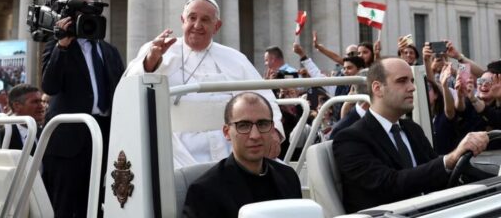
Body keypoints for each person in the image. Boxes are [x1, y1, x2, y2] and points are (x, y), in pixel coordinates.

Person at [124, 0, 284, 168]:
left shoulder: (235, 58)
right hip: (173, 148)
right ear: (182, 20)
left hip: (228, 148)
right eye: (192, 18)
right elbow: (129, 90)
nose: (197, 25)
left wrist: (274, 131)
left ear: (217, 26)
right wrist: (150, 63)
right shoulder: (157, 49)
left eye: (205, 20)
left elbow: (263, 97)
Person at [333, 58, 489, 213]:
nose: (412, 88)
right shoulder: (350, 139)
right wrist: (451, 158)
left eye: (412, 81)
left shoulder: (411, 129)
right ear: (377, 88)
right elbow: (389, 184)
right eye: (402, 81)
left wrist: (492, 179)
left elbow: (438, 173)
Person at [42, 0, 124, 218]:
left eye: (95, 14)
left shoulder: (109, 51)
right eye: (84, 14)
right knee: (66, 207)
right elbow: (49, 86)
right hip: (68, 141)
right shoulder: (58, 45)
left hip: (103, 136)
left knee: (99, 203)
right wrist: (62, 46)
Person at [182, 92, 301, 218]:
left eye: (262, 124)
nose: (255, 135)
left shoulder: (288, 177)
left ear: (272, 129)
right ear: (227, 132)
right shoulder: (205, 191)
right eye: (243, 126)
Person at [7, 84, 45, 153]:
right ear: (17, 106)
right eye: (35, 102)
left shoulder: (47, 134)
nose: (41, 106)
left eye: (41, 101)